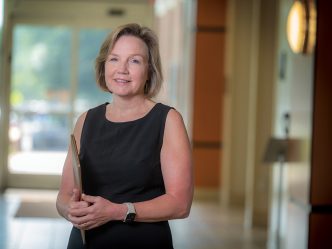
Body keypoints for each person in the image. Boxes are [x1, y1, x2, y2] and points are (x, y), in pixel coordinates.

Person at [56, 23, 193, 249]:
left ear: (149, 71)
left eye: (135, 60)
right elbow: (63, 197)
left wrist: (117, 211)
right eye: (114, 59)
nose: (122, 69)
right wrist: (69, 209)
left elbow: (180, 204)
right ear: (104, 65)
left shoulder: (168, 120)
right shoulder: (85, 120)